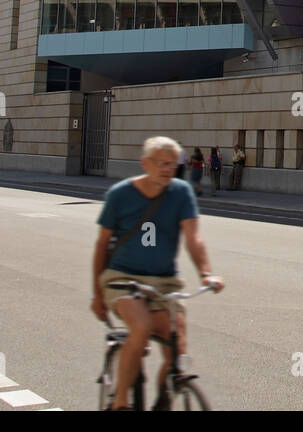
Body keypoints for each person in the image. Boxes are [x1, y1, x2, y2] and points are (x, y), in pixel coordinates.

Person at [91, 137, 224, 410]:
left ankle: (164, 399)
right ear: (145, 163)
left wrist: (206, 273)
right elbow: (102, 245)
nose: (167, 169)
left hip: (164, 282)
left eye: (171, 164)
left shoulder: (181, 192)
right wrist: (97, 295)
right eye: (161, 163)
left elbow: (193, 237)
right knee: (140, 328)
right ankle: (121, 402)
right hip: (122, 279)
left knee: (176, 350)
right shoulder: (120, 194)